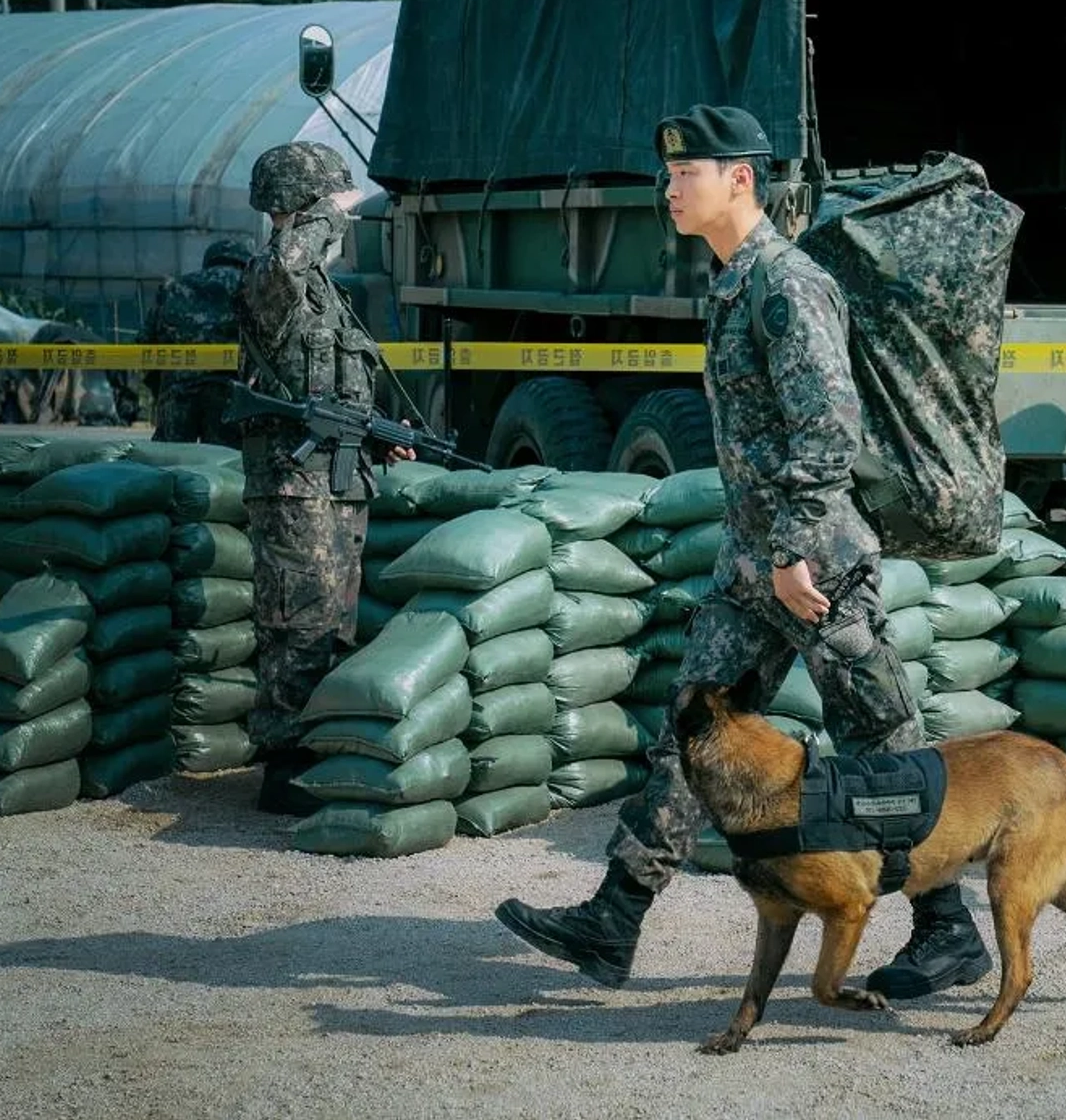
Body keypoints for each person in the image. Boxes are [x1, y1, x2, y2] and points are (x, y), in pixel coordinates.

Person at [494, 104, 993, 998]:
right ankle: (615, 917)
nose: (671, 186)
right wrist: (763, 553)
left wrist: (796, 549)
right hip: (750, 564)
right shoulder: (729, 284)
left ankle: (949, 928)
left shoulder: (785, 284)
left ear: (741, 180)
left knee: (882, 741)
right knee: (690, 732)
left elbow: (829, 427)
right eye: (670, 171)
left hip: (815, 563)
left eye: (689, 172)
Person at [236, 141, 409, 815]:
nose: (344, 217)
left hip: (336, 482)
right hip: (292, 485)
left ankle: (315, 757)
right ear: (297, 208)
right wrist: (320, 215)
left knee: (332, 627)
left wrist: (376, 434)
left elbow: (327, 383)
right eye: (331, 204)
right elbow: (285, 259)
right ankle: (283, 768)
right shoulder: (270, 278)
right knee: (296, 624)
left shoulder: (325, 295)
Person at [138, 238, 251, 446]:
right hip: (230, 394)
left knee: (169, 464)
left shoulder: (175, 287)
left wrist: (160, 390)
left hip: (177, 391)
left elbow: (146, 342)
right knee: (224, 469)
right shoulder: (251, 286)